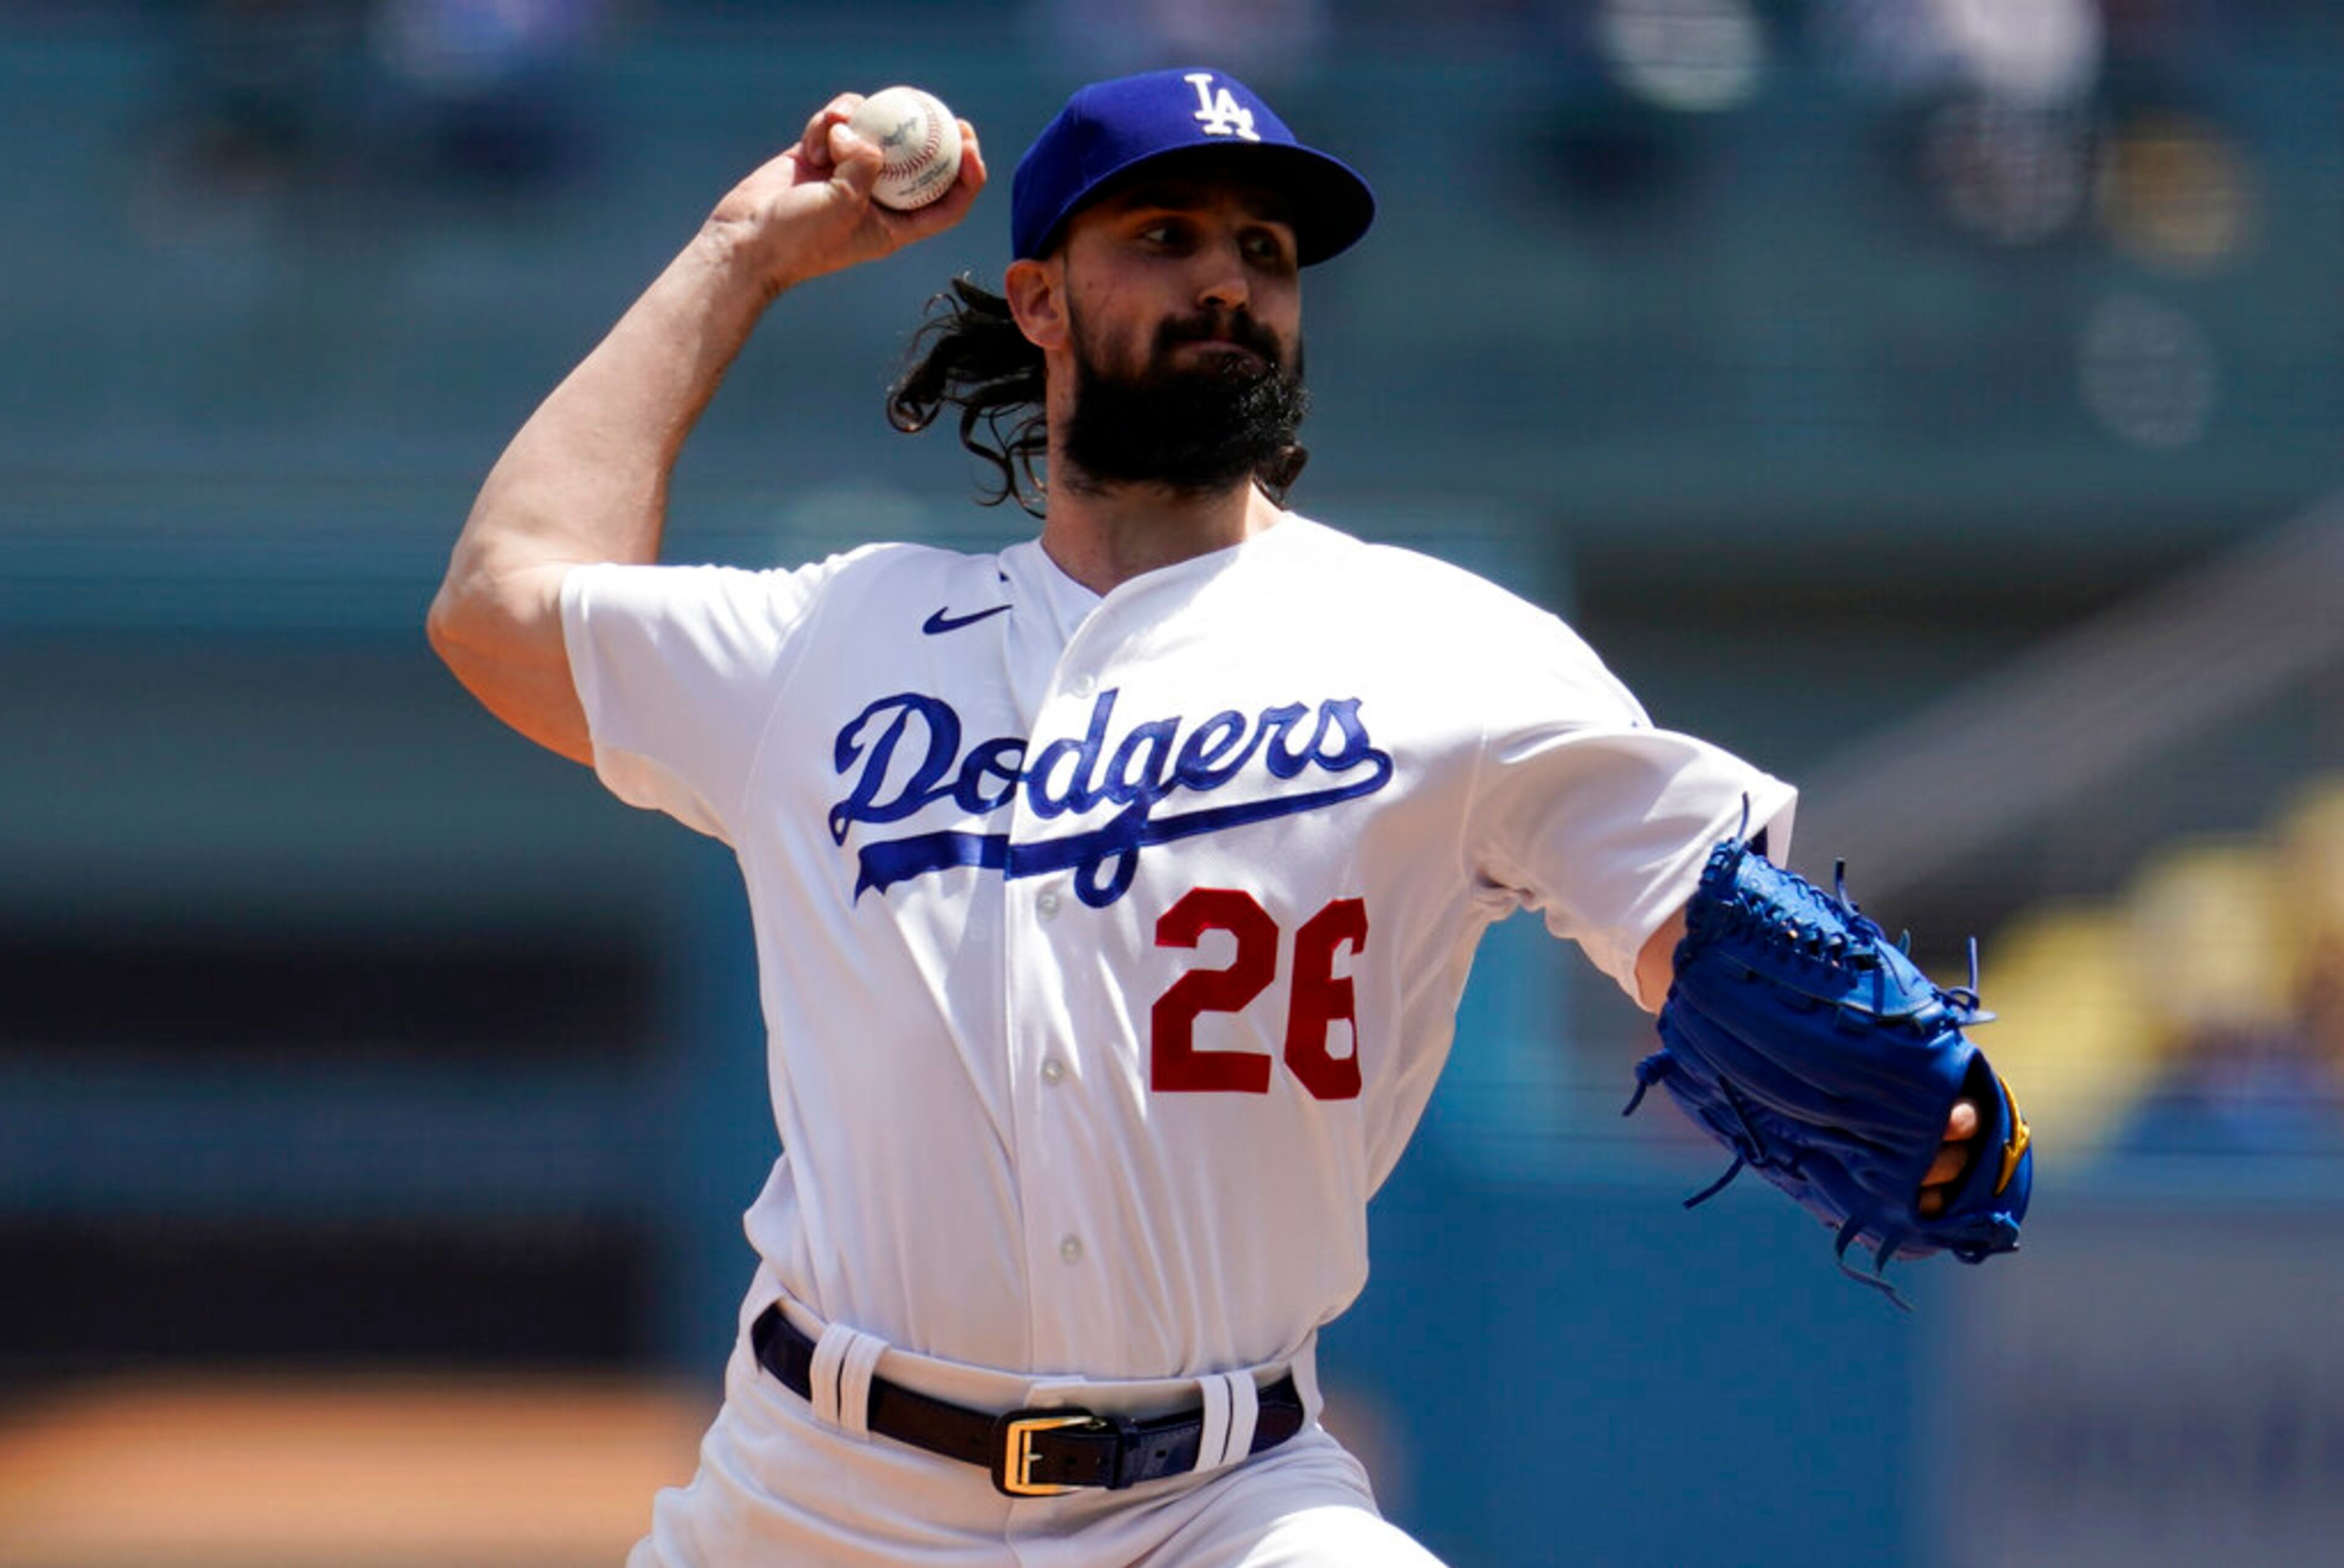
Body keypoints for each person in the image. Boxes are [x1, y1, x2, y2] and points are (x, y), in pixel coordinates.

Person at [428, 67, 1983, 1568]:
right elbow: (501, 605)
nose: (1228, 281)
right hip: (823, 1498)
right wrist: (742, 257)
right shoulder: (843, 641)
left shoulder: (1446, 650)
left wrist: (1891, 1064)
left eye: (1265, 251)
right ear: (1038, 301)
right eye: (1163, 239)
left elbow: (1704, 926)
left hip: (1224, 1505)